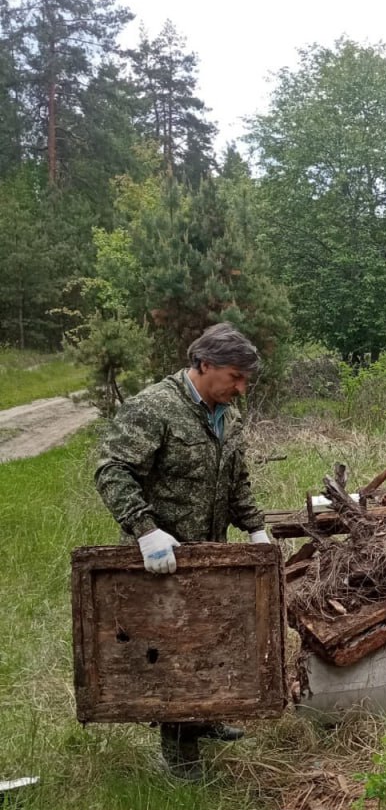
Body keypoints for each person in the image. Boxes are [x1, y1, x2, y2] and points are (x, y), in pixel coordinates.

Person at [94, 323, 271, 780]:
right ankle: (179, 755)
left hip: (211, 554)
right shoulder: (155, 406)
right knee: (172, 650)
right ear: (204, 365)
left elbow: (237, 481)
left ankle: (205, 718)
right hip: (162, 559)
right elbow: (112, 469)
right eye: (236, 376)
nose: (242, 387)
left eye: (246, 379)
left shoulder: (225, 415)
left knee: (210, 639)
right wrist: (144, 531)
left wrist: (255, 530)